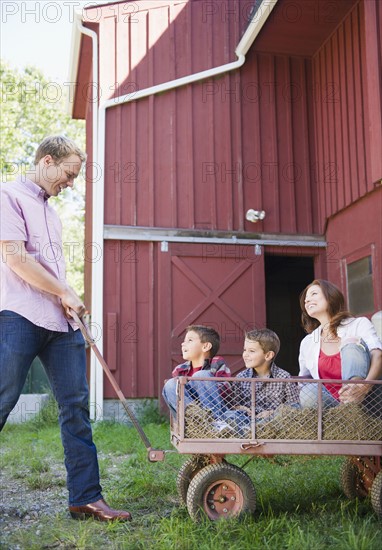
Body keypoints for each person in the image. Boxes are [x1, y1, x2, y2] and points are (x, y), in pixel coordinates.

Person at [0, 136, 131, 522]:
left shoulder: (53, 214)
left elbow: (52, 270)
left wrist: (67, 301)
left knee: (75, 408)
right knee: (2, 401)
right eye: (69, 174)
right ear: (46, 161)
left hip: (60, 323)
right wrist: (65, 290)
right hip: (19, 316)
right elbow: (15, 258)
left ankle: (85, 498)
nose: (71, 183)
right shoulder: (8, 195)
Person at [298, 279, 382, 409]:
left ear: (330, 296)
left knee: (351, 344)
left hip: (364, 400)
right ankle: (341, 415)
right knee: (307, 392)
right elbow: (304, 381)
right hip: (331, 409)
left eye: (313, 294)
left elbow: (378, 355)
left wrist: (365, 386)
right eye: (305, 299)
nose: (307, 300)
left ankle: (351, 405)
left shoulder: (358, 324)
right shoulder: (308, 342)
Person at [221, 328, 300, 431]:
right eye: (245, 350)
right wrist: (241, 408)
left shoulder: (284, 377)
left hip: (270, 422)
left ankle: (255, 430)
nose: (245, 354)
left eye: (252, 351)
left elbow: (294, 407)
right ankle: (247, 430)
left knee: (277, 419)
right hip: (245, 419)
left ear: (268, 355)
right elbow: (234, 405)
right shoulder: (241, 377)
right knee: (229, 415)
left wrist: (273, 412)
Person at [162, 325, 231, 422]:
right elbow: (176, 395)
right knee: (170, 384)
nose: (183, 344)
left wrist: (199, 386)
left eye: (189, 340)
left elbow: (226, 390)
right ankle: (196, 422)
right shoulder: (180, 370)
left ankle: (215, 423)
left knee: (200, 376)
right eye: (184, 341)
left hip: (216, 411)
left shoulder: (216, 363)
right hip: (192, 417)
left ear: (205, 346)